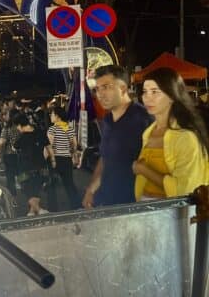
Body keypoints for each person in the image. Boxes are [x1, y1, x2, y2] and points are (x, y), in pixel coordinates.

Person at [134, 68, 209, 199]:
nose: (147, 98)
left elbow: (185, 190)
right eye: (145, 92)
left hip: (172, 212)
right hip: (144, 206)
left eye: (155, 92)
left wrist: (144, 170)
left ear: (172, 96)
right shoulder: (148, 132)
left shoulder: (185, 137)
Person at [83, 66, 152, 208]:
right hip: (106, 202)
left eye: (106, 87)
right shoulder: (107, 120)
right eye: (97, 89)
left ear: (123, 88)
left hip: (134, 205)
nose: (100, 94)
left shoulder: (144, 119)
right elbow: (105, 157)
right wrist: (91, 189)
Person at [45, 104, 81, 211]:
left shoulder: (52, 129)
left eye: (52, 114)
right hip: (66, 160)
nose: (50, 116)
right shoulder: (69, 128)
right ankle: (76, 206)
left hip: (55, 159)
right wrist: (71, 153)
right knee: (69, 184)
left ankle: (53, 209)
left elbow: (49, 145)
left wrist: (47, 158)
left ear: (57, 116)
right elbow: (74, 145)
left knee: (51, 185)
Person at [13, 112, 48, 215]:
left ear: (20, 125)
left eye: (17, 127)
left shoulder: (22, 137)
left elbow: (14, 147)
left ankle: (38, 210)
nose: (18, 129)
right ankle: (32, 211)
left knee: (26, 189)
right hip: (40, 165)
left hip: (25, 167)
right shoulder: (40, 132)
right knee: (36, 188)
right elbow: (47, 147)